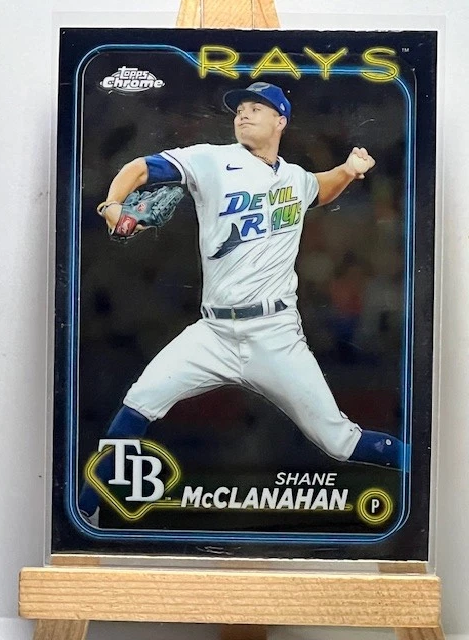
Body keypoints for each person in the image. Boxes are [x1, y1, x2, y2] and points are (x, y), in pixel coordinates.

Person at [79, 82, 408, 524]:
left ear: (280, 121)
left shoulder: (294, 178)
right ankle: (84, 515)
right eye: (240, 109)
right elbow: (139, 168)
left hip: (275, 334)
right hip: (213, 333)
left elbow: (318, 188)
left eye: (257, 108)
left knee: (340, 442)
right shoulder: (211, 160)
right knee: (138, 402)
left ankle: (423, 465)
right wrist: (112, 204)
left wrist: (348, 170)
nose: (244, 114)